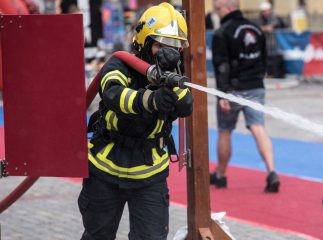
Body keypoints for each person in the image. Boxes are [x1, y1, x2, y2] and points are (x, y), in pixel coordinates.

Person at [78, 2, 193, 240]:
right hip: (105, 170)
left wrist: (170, 80)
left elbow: (186, 105)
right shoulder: (119, 64)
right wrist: (150, 99)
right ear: (144, 41)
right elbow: (112, 94)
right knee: (97, 236)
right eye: (161, 45)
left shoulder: (174, 75)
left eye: (175, 47)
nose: (168, 52)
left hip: (150, 174)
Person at [210, 0, 280, 193]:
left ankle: (221, 175)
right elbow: (264, 59)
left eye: (218, 9)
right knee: (259, 127)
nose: (216, 13)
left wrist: (222, 94)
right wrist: (257, 79)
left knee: (225, 131)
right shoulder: (256, 29)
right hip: (255, 86)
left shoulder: (222, 32)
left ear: (228, 7)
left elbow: (221, 66)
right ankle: (272, 171)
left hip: (232, 89)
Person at [259, 1, 286, 78]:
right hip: (267, 46)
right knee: (268, 63)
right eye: (262, 11)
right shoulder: (262, 18)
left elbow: (271, 27)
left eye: (264, 11)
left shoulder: (275, 17)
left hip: (276, 46)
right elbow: (259, 27)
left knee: (277, 64)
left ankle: (277, 76)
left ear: (269, 10)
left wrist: (264, 28)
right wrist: (264, 28)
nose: (263, 13)